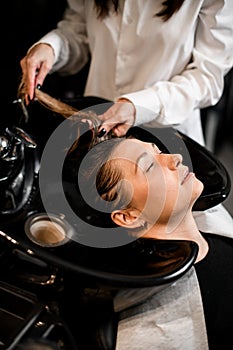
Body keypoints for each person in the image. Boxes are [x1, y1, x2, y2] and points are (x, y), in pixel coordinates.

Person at [74, 131, 233, 350]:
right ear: (129, 217)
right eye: (149, 166)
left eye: (159, 151)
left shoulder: (213, 222)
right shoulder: (160, 329)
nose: (174, 157)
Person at [19, 0, 233, 146]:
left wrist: (138, 107)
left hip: (169, 137)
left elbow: (208, 78)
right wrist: (52, 47)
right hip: (96, 131)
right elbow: (79, 30)